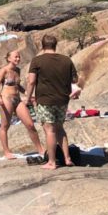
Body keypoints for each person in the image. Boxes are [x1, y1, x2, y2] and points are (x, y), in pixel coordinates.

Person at [25, 34, 82, 171]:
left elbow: (31, 81)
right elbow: (74, 80)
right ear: (55, 45)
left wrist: (28, 98)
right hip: (62, 100)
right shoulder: (66, 60)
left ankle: (51, 162)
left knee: (49, 130)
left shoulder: (37, 61)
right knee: (60, 128)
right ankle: (67, 158)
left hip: (45, 100)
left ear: (42, 45)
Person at [0, 51, 45, 159]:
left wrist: (28, 94)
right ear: (9, 58)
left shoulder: (18, 70)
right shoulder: (4, 70)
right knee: (5, 126)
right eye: (15, 57)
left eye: (19, 57)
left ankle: (40, 149)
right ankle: (7, 152)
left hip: (18, 99)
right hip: (6, 99)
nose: (18, 59)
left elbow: (18, 86)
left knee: (30, 124)